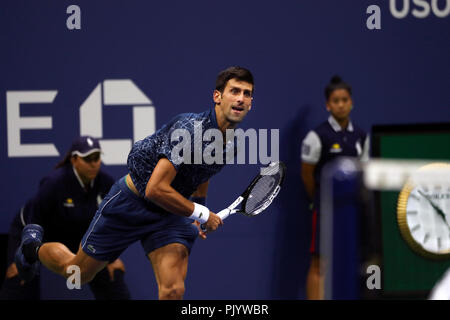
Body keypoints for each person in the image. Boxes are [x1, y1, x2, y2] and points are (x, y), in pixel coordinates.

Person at [15, 66, 254, 300]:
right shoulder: (189, 130)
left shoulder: (232, 144)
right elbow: (155, 189)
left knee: (173, 290)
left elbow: (202, 173)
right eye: (234, 91)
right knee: (76, 272)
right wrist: (203, 213)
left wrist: (197, 206)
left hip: (170, 216)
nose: (241, 99)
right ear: (217, 96)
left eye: (247, 94)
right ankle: (31, 248)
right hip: (131, 204)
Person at [1, 136, 130, 300]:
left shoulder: (105, 183)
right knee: (20, 276)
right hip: (38, 233)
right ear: (74, 160)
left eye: (96, 158)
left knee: (112, 275)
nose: (93, 163)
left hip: (80, 238)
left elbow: (111, 225)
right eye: (87, 159)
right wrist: (25, 254)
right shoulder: (54, 182)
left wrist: (112, 258)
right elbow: (33, 220)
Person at [301, 75, 369, 300]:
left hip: (354, 209)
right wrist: (320, 199)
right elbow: (307, 174)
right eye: (336, 100)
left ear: (351, 102)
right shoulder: (317, 136)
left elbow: (366, 172)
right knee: (320, 263)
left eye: (345, 99)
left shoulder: (361, 136)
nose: (341, 104)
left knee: (355, 259)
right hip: (324, 208)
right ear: (328, 105)